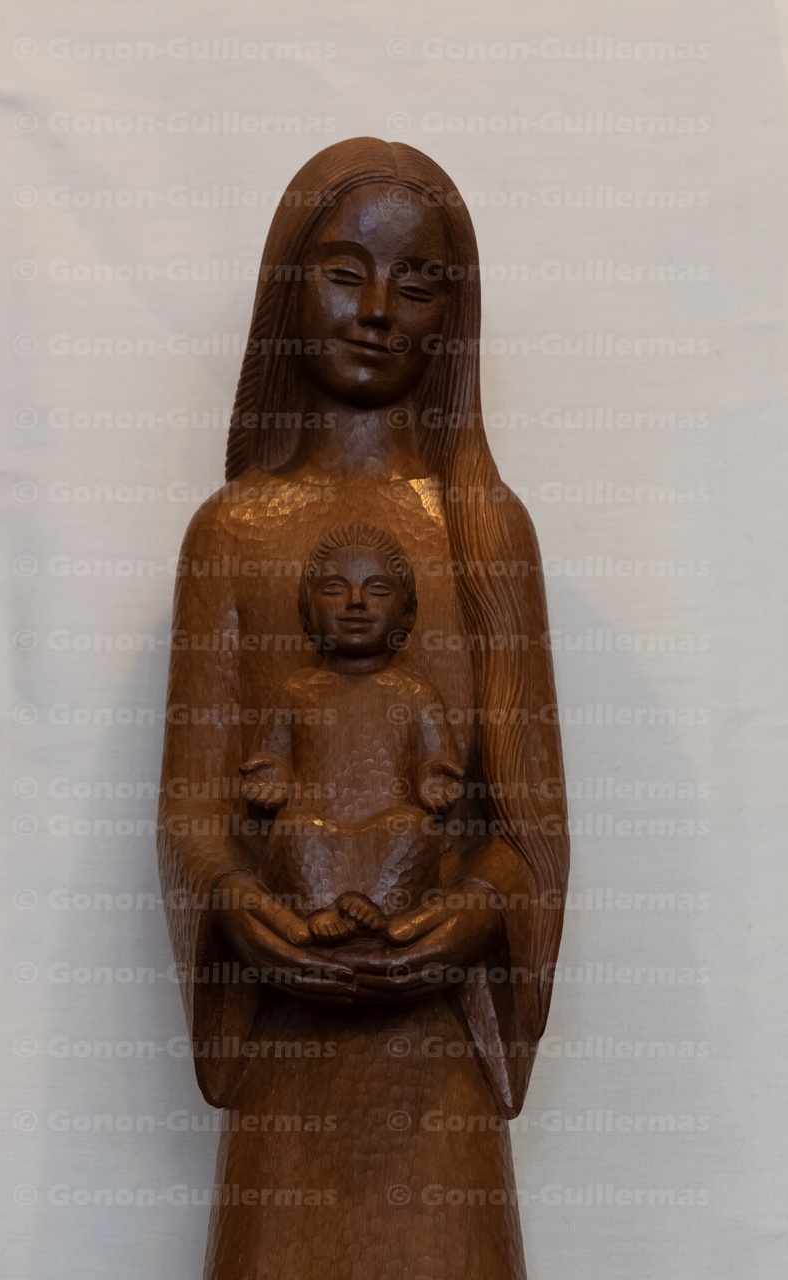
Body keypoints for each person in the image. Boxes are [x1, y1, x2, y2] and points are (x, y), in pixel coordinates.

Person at [158, 137, 569, 1280]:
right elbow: (193, 808)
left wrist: (476, 912)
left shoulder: (484, 531)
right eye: (345, 271)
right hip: (287, 1038)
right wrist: (239, 904)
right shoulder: (231, 532)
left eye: (418, 282)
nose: (379, 309)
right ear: (288, 287)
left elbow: (530, 825)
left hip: (434, 1051)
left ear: (451, 316)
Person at [238, 523, 465, 945]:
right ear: (306, 612)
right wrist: (270, 777)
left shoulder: (416, 694)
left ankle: (381, 907)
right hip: (316, 828)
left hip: (388, 827)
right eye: (334, 589)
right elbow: (271, 754)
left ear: (408, 613)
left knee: (412, 827)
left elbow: (438, 759)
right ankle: (320, 908)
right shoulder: (295, 692)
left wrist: (434, 778)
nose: (356, 602)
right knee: (294, 827)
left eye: (377, 590)